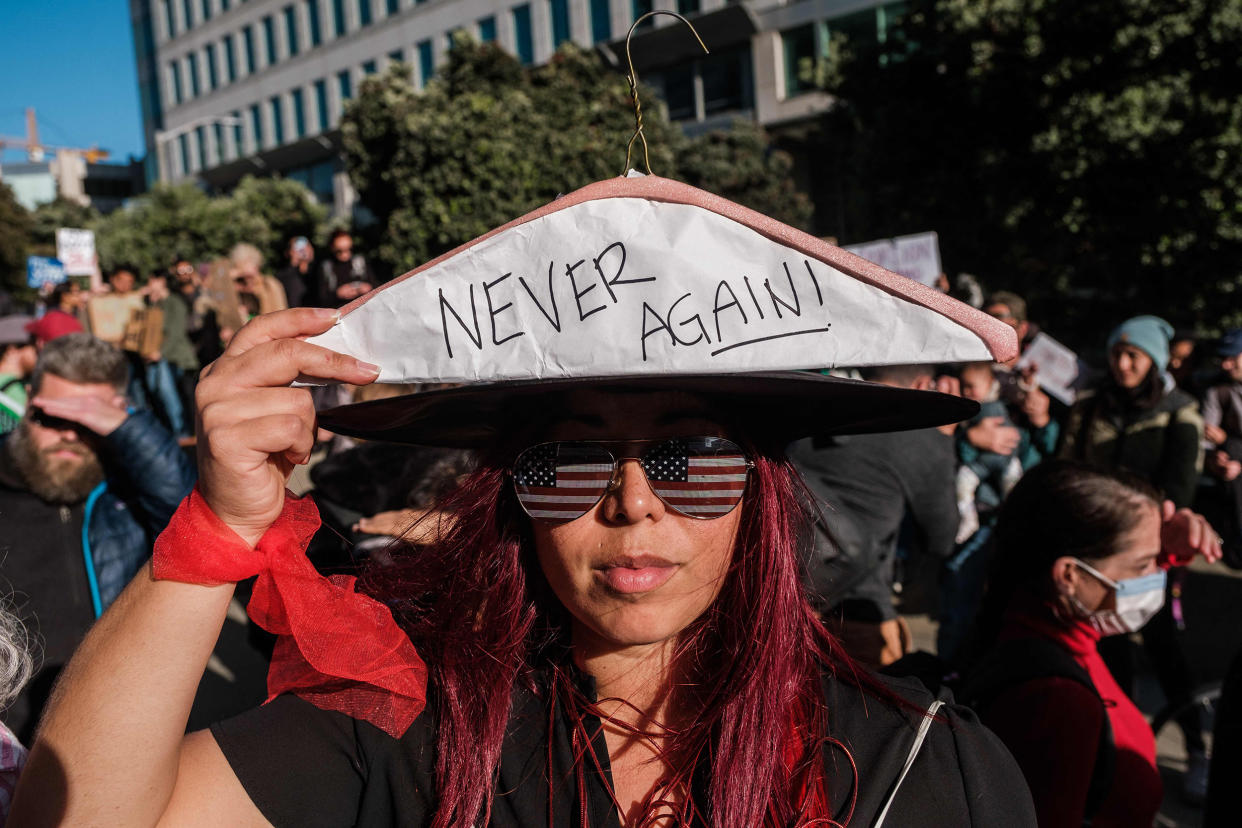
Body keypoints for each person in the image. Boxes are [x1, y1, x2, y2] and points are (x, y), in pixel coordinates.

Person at [13, 181, 1034, 826]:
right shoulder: (416, 722)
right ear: (512, 499)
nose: (634, 504)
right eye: (567, 464)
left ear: (762, 497)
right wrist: (223, 527)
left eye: (693, 461)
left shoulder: (929, 770)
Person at [963, 461, 1221, 827]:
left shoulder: (1033, 629)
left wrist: (1165, 549)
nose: (1156, 576)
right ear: (1069, 575)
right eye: (1145, 564)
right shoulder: (1057, 700)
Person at [0, 333, 195, 741]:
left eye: (89, 421)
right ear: (29, 405)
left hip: (113, 730)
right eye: (53, 418)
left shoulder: (126, 488)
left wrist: (131, 431)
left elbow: (193, 518)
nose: (70, 435)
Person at [1059, 313, 1210, 801]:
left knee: (1164, 649)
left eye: (1134, 357)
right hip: (1097, 551)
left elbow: (1180, 490)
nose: (1122, 365)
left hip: (1151, 554)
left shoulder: (1179, 411)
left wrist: (1155, 539)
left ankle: (1196, 747)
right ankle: (1113, 752)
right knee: (1109, 651)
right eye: (1117, 354)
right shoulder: (1089, 405)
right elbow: (1068, 467)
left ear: (1155, 362)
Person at [791, 364, 960, 668]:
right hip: (860, 616)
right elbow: (942, 537)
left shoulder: (813, 413)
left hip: (790, 596)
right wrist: (944, 441)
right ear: (923, 385)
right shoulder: (921, 439)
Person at [317, 229, 374, 307]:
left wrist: (367, 288)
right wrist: (337, 294)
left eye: (348, 249)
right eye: (339, 251)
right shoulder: (326, 267)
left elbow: (375, 285)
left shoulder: (360, 261)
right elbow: (321, 298)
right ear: (332, 248)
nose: (345, 254)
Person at [230, 243, 288, 318]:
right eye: (243, 275)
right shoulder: (238, 286)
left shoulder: (269, 284)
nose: (247, 279)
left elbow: (281, 312)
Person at [0, 316, 36, 432]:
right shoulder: (11, 389)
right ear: (12, 349)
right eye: (35, 347)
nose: (41, 352)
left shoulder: (24, 385)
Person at [275, 236, 316, 308]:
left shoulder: (318, 272)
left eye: (306, 247)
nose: (302, 251)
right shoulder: (282, 276)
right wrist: (294, 263)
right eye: (297, 248)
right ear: (288, 252)